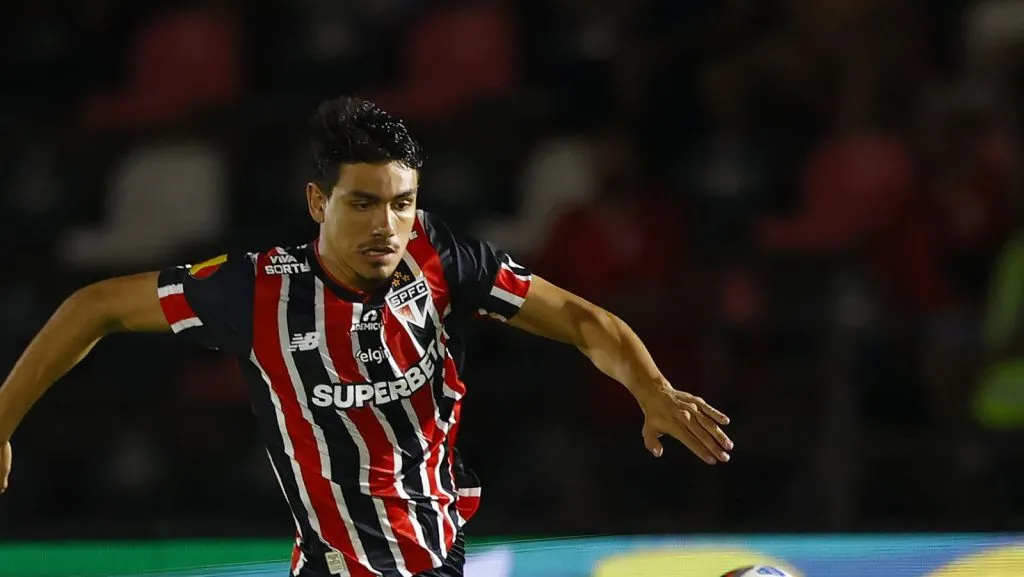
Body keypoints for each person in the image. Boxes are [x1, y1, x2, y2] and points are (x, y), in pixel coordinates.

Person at [0, 96, 733, 577]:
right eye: (363, 203)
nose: (387, 225)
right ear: (319, 201)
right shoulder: (257, 288)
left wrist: (652, 388)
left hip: (440, 554)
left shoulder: (440, 257)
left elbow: (580, 318)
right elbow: (92, 305)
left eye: (403, 203)